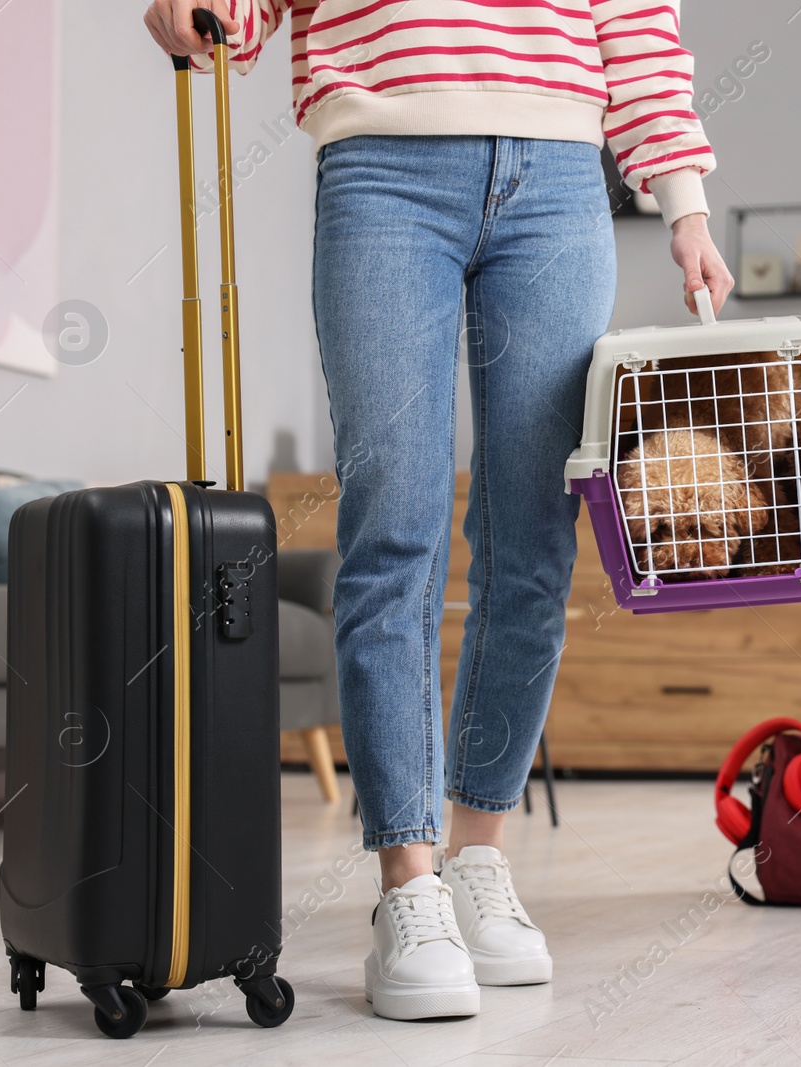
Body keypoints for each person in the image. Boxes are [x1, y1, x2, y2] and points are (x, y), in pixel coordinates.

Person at [144, 0, 733, 1022]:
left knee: (533, 545)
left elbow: (634, 20)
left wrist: (682, 201)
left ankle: (478, 853)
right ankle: (408, 885)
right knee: (393, 529)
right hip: (383, 166)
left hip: (557, 173)